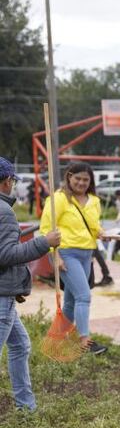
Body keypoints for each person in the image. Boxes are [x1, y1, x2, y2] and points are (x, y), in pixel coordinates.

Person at [0, 157, 60, 411]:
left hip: (5, 292)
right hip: (1, 295)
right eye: (12, 180)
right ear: (6, 181)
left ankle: (26, 407)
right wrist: (44, 242)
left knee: (20, 345)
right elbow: (6, 255)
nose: (12, 184)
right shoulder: (4, 212)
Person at [39, 162, 110, 355]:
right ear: (69, 177)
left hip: (87, 254)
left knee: (71, 302)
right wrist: (56, 257)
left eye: (85, 179)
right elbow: (45, 230)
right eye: (77, 178)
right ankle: (84, 341)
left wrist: (102, 233)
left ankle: (54, 343)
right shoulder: (59, 199)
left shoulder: (94, 200)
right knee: (84, 296)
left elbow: (93, 226)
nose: (81, 182)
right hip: (66, 253)